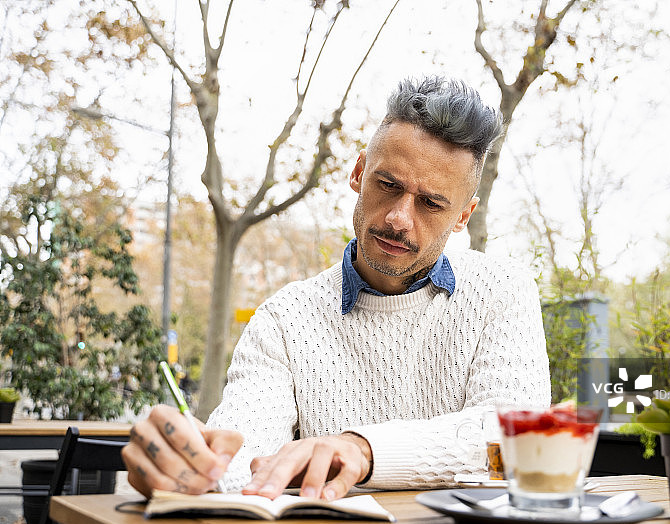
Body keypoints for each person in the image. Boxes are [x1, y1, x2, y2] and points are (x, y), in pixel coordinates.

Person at [122, 76, 551, 501]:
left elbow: (513, 441)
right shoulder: (284, 319)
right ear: (359, 172)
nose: (399, 219)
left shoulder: (503, 290)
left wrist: (363, 450)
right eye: (388, 185)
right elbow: (242, 454)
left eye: (431, 203)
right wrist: (189, 469)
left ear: (463, 216)